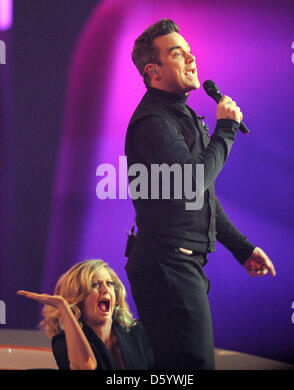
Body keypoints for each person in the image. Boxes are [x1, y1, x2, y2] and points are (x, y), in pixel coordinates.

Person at [124, 19, 276, 370]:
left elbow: (200, 198)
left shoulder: (182, 116)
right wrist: (226, 129)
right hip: (167, 267)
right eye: (178, 54)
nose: (192, 58)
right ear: (154, 71)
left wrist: (243, 248)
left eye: (190, 51)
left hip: (180, 266)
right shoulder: (154, 122)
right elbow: (192, 181)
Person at [17, 259, 153, 370]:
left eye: (109, 283)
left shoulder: (136, 331)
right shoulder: (64, 342)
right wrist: (63, 307)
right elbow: (86, 367)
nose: (105, 290)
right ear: (79, 299)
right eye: (95, 285)